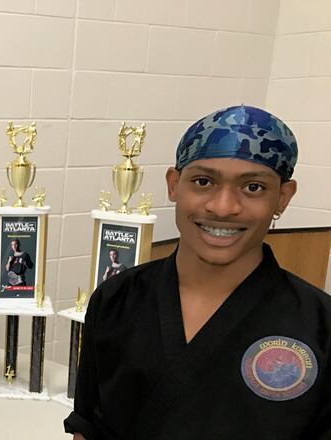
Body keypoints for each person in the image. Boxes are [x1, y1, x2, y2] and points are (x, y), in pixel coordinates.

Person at [64, 106, 331, 439]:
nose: (222, 207)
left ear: (283, 197)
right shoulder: (117, 299)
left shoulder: (321, 327)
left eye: (253, 188)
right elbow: (88, 425)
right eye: (203, 181)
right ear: (174, 185)